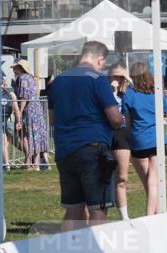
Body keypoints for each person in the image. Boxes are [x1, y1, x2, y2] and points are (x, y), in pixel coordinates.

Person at [46, 41, 124, 229]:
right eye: (103, 64)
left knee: (73, 209)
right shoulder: (97, 79)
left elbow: (52, 119)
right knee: (98, 208)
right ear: (100, 58)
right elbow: (115, 119)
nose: (103, 67)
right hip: (93, 149)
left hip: (65, 150)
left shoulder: (58, 81)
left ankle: (69, 252)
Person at [123, 63, 165, 215]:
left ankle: (151, 216)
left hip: (139, 140)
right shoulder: (157, 92)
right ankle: (158, 214)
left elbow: (127, 124)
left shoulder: (129, 94)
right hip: (158, 139)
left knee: (149, 183)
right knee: (153, 182)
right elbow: (164, 114)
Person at [107, 64, 134, 219]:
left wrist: (128, 79)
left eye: (120, 76)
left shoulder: (128, 94)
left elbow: (142, 91)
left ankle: (124, 217)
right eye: (114, 75)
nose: (116, 79)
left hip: (122, 135)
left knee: (122, 177)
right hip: (106, 134)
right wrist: (111, 91)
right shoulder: (104, 92)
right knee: (103, 177)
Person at [12, 59, 49, 170]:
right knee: (35, 135)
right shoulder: (30, 78)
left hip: (29, 110)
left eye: (16, 67)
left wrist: (20, 110)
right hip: (37, 109)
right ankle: (36, 163)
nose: (14, 70)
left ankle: (33, 164)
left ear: (21, 68)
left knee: (29, 135)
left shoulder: (23, 78)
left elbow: (24, 97)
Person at [1, 78, 20, 170]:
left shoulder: (10, 94)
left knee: (6, 143)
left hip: (7, 121)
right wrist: (18, 121)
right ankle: (6, 164)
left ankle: (6, 164)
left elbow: (16, 109)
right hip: (6, 121)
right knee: (5, 143)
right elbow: (16, 109)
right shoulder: (10, 94)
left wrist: (18, 121)